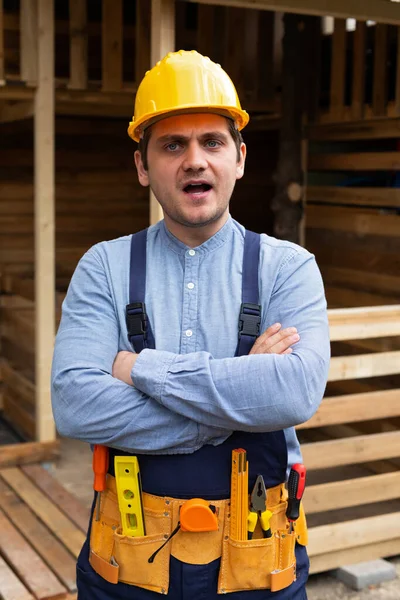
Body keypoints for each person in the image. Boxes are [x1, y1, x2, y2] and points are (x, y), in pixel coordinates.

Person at [51, 50, 330, 600]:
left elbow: (295, 393)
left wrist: (141, 369)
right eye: (172, 145)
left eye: (212, 142)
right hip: (128, 568)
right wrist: (239, 398)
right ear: (142, 166)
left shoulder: (288, 267)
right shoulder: (103, 268)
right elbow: (75, 402)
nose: (195, 160)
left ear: (240, 157)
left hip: (257, 567)